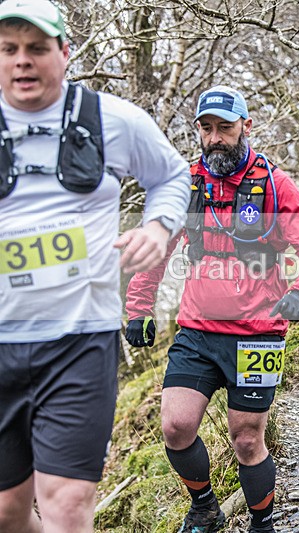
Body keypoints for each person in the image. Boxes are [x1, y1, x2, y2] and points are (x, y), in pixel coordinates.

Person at [0, 0, 191, 531]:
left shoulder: (115, 120)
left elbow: (173, 177)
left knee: (65, 503)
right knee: (6, 512)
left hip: (80, 340)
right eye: (8, 50)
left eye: (36, 48)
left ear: (63, 53)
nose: (22, 62)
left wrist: (158, 227)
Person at [125, 85, 299, 533]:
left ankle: (262, 523)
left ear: (245, 127)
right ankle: (204, 508)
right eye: (207, 129)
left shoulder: (275, 185)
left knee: (246, 438)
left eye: (225, 127)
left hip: (258, 332)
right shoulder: (186, 183)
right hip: (197, 330)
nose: (215, 137)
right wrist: (138, 308)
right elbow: (155, 249)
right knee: (176, 427)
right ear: (198, 131)